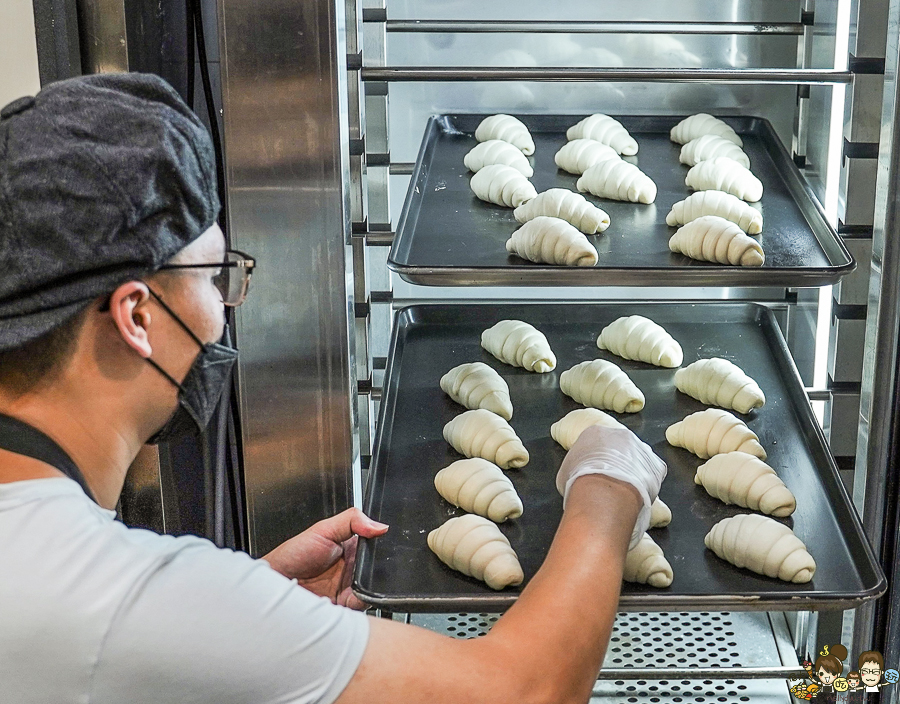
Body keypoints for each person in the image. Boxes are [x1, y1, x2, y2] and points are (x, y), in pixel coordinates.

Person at [0, 73, 666, 704]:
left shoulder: (59, 571)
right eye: (215, 278)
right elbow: (524, 690)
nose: (224, 308)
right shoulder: (113, 597)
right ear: (136, 316)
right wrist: (607, 492)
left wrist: (249, 607)